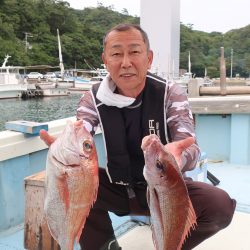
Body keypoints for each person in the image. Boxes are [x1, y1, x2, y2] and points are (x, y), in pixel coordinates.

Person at [40, 23, 236, 250]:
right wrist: (63, 148)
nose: (126, 62)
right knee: (77, 180)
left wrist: (176, 159)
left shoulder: (171, 93)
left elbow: (190, 146)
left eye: (134, 52)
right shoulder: (93, 98)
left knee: (220, 206)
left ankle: (171, 245)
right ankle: (105, 246)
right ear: (105, 60)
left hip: (165, 190)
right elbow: (81, 128)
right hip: (120, 188)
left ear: (149, 58)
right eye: (116, 54)